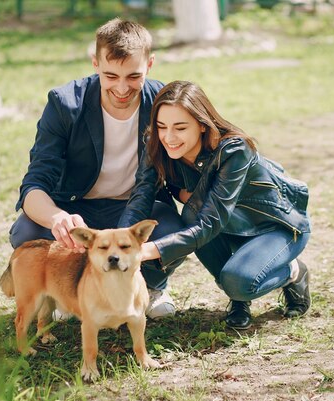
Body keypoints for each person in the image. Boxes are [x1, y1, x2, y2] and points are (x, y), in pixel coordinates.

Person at [9, 18, 184, 319]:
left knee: (173, 230)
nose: (121, 87)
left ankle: (152, 287)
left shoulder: (163, 103)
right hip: (79, 209)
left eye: (133, 76)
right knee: (27, 231)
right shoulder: (65, 104)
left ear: (150, 64)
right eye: (110, 75)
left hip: (138, 208)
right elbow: (36, 182)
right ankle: (68, 292)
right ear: (95, 62)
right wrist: (58, 218)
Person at [119, 80, 312, 329]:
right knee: (192, 217)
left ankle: (293, 272)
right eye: (161, 126)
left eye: (180, 127)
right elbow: (142, 193)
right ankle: (239, 300)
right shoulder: (156, 143)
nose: (168, 137)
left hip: (276, 226)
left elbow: (209, 223)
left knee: (239, 281)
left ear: (201, 125)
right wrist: (122, 238)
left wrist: (146, 250)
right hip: (226, 223)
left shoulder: (234, 150)